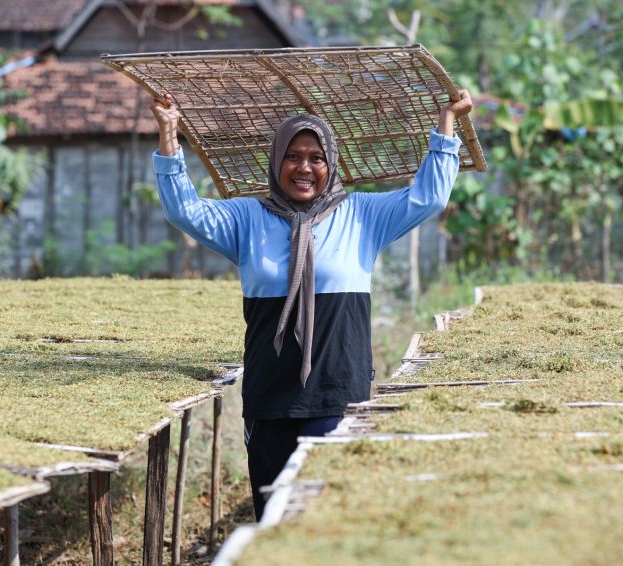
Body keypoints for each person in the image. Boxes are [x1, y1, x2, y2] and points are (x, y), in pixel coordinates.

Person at [151, 91, 474, 520]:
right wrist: (169, 133)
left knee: (325, 512)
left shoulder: (361, 215)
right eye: (293, 156)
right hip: (270, 396)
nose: (304, 168)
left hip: (337, 392)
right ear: (277, 162)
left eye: (316, 158)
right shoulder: (247, 220)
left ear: (331, 165)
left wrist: (446, 122)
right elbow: (184, 211)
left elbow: (428, 198)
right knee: (273, 513)